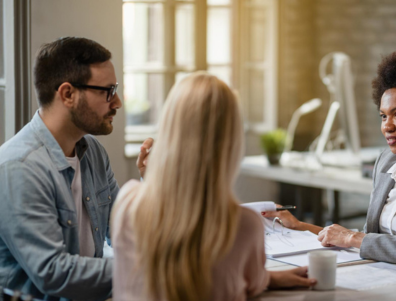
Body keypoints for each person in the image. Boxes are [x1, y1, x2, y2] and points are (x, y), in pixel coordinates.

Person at [264, 48, 396, 268]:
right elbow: (372, 239)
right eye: (383, 116)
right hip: (379, 276)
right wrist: (300, 226)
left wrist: (351, 237)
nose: (387, 126)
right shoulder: (386, 163)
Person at [111, 72, 316, 301]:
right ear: (231, 142)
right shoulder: (243, 225)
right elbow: (251, 282)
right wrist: (268, 277)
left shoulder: (127, 201)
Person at [0, 37, 147, 300]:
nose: (117, 103)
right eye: (108, 91)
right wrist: (146, 270)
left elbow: (125, 234)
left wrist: (155, 183)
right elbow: (54, 273)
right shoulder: (19, 168)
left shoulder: (93, 152)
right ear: (68, 94)